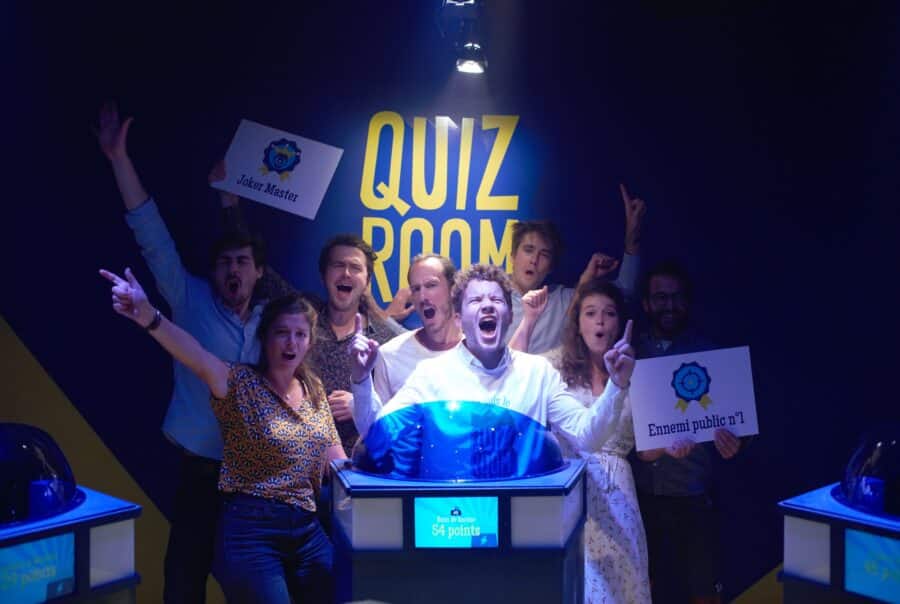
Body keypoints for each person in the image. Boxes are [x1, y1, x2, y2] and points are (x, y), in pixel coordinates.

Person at [96, 102, 269, 602]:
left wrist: (230, 202)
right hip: (200, 471)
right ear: (214, 272)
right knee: (183, 581)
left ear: (259, 271)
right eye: (225, 263)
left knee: (256, 584)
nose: (233, 270)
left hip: (258, 478)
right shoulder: (190, 299)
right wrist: (118, 159)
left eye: (243, 262)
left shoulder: (276, 319)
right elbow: (151, 235)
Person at [100, 268, 344, 604]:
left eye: (300, 334)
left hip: (306, 527)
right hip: (253, 529)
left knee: (342, 589)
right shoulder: (240, 382)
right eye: (282, 333)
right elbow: (196, 356)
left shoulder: (313, 389)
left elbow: (337, 460)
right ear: (265, 338)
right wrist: (148, 316)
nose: (291, 343)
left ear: (310, 342)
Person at [348, 264, 635, 462]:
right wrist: (361, 381)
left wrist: (617, 385)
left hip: (523, 518)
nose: (487, 305)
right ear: (459, 319)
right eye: (475, 300)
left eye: (496, 299)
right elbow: (379, 432)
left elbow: (587, 437)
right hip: (456, 517)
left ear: (509, 315)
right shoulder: (431, 375)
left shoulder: (537, 373)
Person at [629, 260, 743, 604]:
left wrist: (736, 442)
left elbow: (738, 424)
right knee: (644, 588)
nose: (669, 305)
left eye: (676, 297)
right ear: (646, 303)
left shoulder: (711, 355)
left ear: (687, 302)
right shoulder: (629, 353)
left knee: (703, 589)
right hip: (642, 496)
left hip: (694, 495)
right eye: (660, 297)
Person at [550, 279, 651, 604]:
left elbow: (648, 449)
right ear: (577, 323)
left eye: (609, 313)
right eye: (591, 313)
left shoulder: (638, 373)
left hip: (617, 493)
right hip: (569, 490)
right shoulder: (552, 367)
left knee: (620, 587)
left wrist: (676, 445)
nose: (600, 322)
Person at [507, 184, 646, 354]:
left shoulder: (561, 300)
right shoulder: (491, 296)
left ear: (551, 267)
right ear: (513, 255)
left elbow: (625, 291)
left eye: (544, 254)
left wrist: (632, 240)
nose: (534, 260)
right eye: (528, 250)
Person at [308, 235, 406, 456]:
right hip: (304, 462)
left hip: (360, 464)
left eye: (355, 267)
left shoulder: (385, 338)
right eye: (338, 265)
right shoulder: (302, 327)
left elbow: (402, 409)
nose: (346, 273)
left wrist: (359, 403)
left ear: (367, 281)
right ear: (323, 275)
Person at [372, 253, 462, 401]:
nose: (422, 297)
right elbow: (378, 415)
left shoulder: (482, 352)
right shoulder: (389, 355)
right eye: (416, 289)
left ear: (452, 290)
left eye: (431, 285)